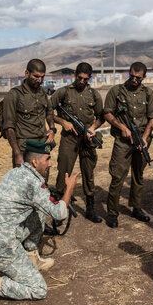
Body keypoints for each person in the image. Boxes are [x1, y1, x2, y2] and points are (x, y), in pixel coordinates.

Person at [0, 141, 80, 305]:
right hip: (1, 248)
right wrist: (69, 188)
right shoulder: (33, 183)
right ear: (35, 162)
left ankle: (32, 259)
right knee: (38, 289)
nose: (50, 163)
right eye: (47, 159)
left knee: (40, 213)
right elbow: (59, 213)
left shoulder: (16, 172)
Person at [103, 62, 153, 228]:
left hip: (142, 140)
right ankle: (112, 212)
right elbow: (107, 113)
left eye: (138, 77)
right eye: (132, 76)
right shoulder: (116, 91)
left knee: (138, 175)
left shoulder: (148, 93)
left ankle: (137, 208)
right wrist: (122, 127)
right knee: (118, 176)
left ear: (144, 77)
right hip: (123, 141)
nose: (134, 79)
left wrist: (145, 138)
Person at [51, 62, 104, 224]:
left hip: (87, 139)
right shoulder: (63, 92)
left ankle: (90, 209)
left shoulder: (94, 95)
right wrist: (62, 122)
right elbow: (47, 111)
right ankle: (59, 211)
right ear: (75, 74)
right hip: (69, 138)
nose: (82, 82)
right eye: (79, 78)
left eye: (85, 79)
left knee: (88, 173)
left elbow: (102, 116)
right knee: (64, 171)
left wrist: (93, 128)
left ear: (90, 78)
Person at [0, 59, 56, 169]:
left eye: (42, 77)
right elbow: (9, 127)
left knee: (42, 181)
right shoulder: (14, 95)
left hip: (42, 145)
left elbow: (49, 113)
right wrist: (17, 154)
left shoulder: (42, 93)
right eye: (36, 76)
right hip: (24, 147)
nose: (39, 80)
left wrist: (52, 129)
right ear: (27, 73)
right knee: (24, 182)